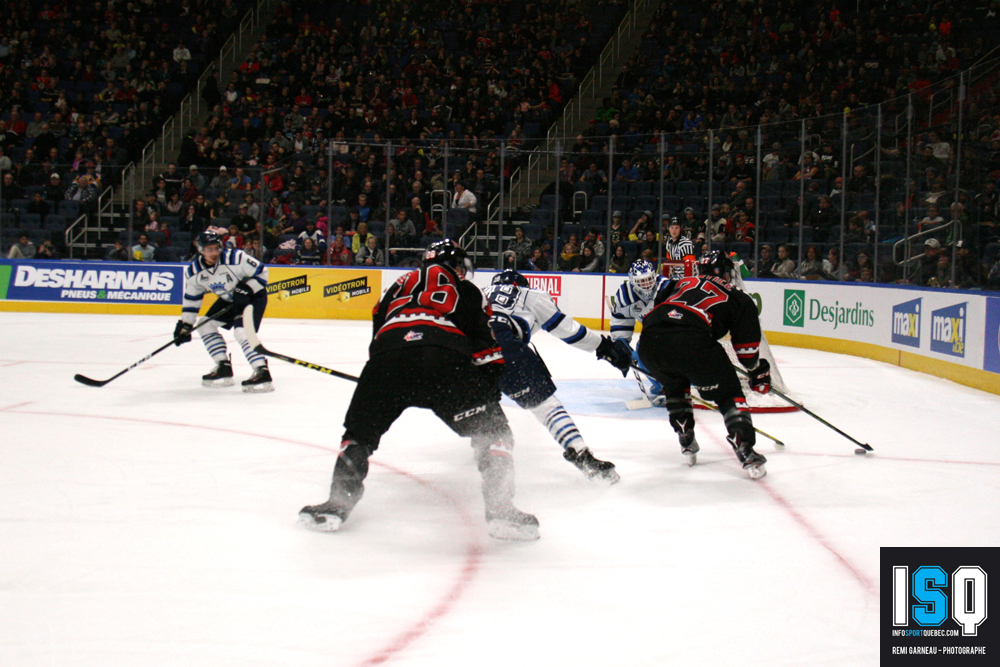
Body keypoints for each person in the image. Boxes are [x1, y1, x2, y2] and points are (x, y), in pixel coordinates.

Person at [299, 240, 539, 541]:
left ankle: (337, 503)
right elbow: (487, 347)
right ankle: (501, 509)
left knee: (358, 435)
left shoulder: (396, 286)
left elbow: (378, 330)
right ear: (453, 264)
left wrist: (380, 376)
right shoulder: (465, 289)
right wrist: (486, 395)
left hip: (388, 361)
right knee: (495, 433)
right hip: (445, 360)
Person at [486, 270, 631, 482]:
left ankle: (484, 445)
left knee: (482, 400)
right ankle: (580, 453)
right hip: (503, 345)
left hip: (461, 351)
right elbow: (567, 330)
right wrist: (605, 347)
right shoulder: (528, 294)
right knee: (547, 407)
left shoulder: (477, 292)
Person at [637, 251, 771, 479]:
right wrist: (758, 371)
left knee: (675, 381)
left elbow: (660, 310)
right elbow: (747, 354)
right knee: (729, 392)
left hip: (649, 343)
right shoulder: (739, 296)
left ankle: (685, 433)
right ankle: (744, 446)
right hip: (692, 342)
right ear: (728, 272)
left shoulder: (679, 283)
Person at [173, 231, 273, 392]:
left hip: (253, 297)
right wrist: (185, 325)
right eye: (209, 249)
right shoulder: (194, 272)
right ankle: (222, 365)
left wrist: (247, 288)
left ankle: (262, 370)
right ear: (200, 250)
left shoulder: (236, 257)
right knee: (204, 325)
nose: (214, 253)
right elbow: (192, 299)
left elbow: (263, 273)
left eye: (216, 248)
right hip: (230, 300)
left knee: (241, 332)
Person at [608, 259, 674, 405]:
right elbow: (621, 320)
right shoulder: (625, 295)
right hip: (653, 334)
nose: (647, 284)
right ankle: (664, 386)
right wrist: (621, 342)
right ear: (632, 281)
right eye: (642, 281)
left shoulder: (667, 289)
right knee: (640, 351)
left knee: (652, 347)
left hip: (676, 333)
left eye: (649, 279)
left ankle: (680, 383)